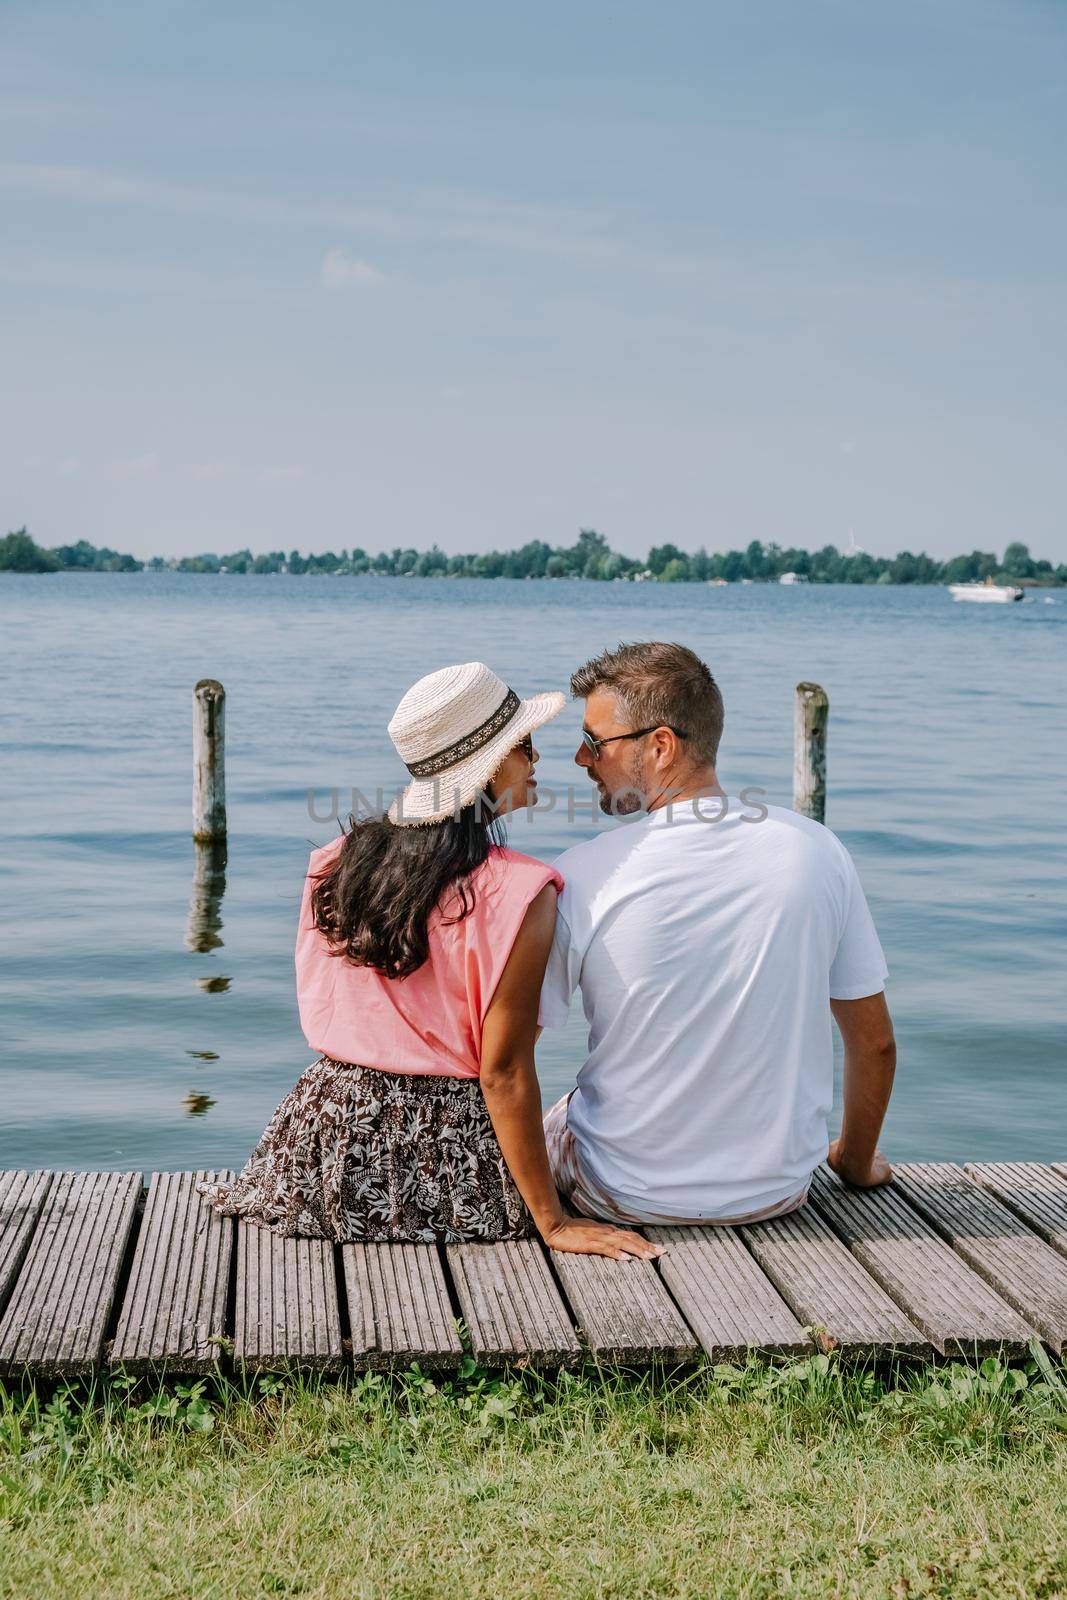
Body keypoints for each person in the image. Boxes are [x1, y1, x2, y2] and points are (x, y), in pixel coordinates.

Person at [196, 661, 660, 1262]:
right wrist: (553, 1222)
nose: (539, 759)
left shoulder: (336, 862)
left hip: (320, 1148)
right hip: (446, 1157)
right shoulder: (523, 892)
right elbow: (504, 1071)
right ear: (488, 766)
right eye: (524, 745)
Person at [539, 641, 896, 1226]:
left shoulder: (584, 873)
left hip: (620, 1194)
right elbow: (874, 1043)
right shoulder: (818, 851)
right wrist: (855, 1165)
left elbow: (505, 1056)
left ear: (660, 745)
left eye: (594, 743)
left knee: (558, 1115)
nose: (581, 760)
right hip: (775, 1195)